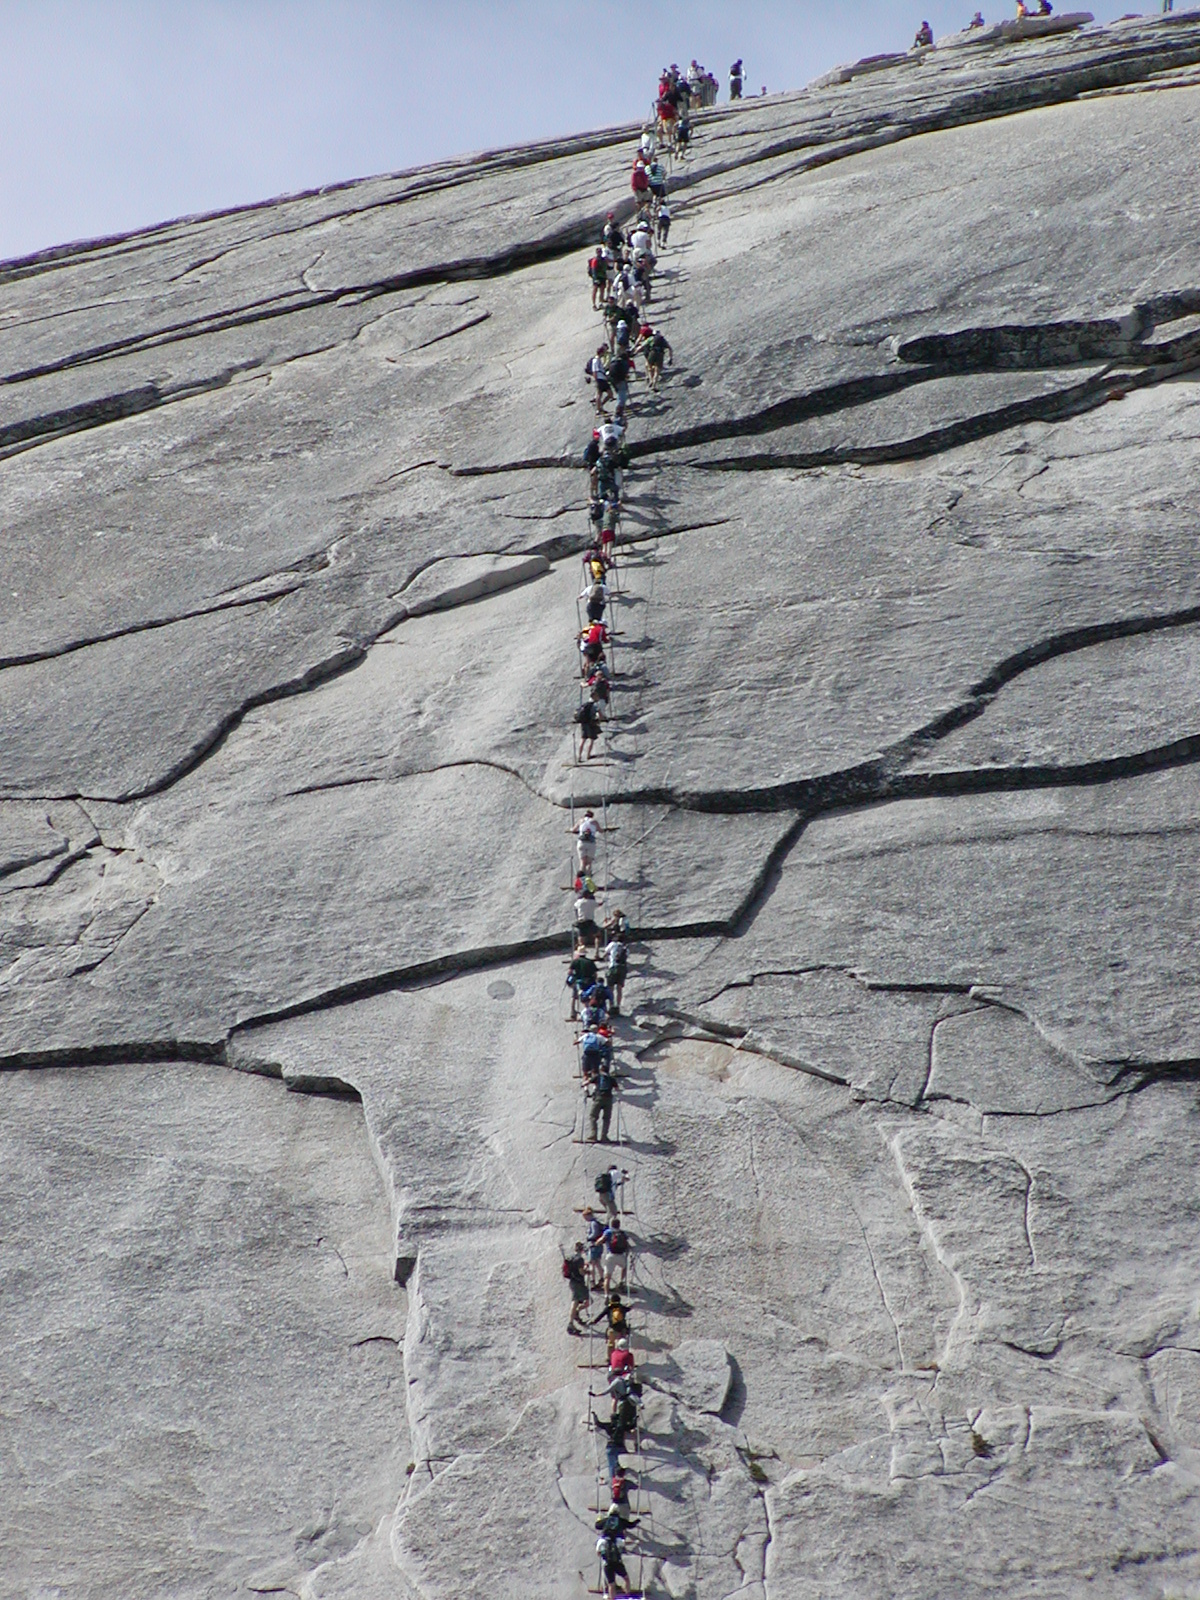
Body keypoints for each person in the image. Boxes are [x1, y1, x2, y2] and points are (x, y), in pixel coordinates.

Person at [563, 1242, 589, 1334]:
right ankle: (572, 1320)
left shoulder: (571, 1258)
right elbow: (581, 1272)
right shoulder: (580, 1259)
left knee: (576, 1301)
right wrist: (587, 1270)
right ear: (582, 1250)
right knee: (585, 1302)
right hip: (579, 1283)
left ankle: (574, 1317)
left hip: (573, 1282)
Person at [567, 945, 598, 1019]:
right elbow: (595, 974)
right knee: (589, 997)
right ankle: (590, 1013)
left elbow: (569, 972)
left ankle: (573, 1013)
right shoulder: (590, 962)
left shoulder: (575, 962)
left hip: (579, 981)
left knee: (574, 997)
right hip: (589, 981)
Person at [639, 327, 672, 392]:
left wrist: (634, 352)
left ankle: (650, 379)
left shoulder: (651, 338)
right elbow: (670, 348)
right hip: (660, 355)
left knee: (649, 367)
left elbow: (641, 346)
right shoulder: (663, 340)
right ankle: (654, 385)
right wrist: (670, 358)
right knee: (657, 371)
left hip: (652, 353)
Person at [588, 1065, 615, 1143]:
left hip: (599, 1098)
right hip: (608, 1099)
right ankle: (604, 1136)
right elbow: (617, 1088)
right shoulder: (611, 1078)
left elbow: (588, 1082)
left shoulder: (598, 1077)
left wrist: (583, 1085)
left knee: (593, 1116)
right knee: (606, 1118)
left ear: (601, 1070)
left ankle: (594, 1135)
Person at [602, 1218, 630, 1292]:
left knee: (607, 1277)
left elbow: (601, 1240)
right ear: (619, 1225)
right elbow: (627, 1242)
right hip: (620, 1255)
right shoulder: (622, 1233)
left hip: (611, 1255)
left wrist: (595, 1243)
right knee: (624, 1267)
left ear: (611, 1224)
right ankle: (622, 1282)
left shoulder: (608, 1232)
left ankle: (606, 1295)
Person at [583, 1206, 606, 1289]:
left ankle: (593, 1281)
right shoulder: (597, 1222)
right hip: (599, 1245)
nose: (585, 1219)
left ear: (588, 1215)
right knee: (598, 1263)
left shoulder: (593, 1223)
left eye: (585, 1217)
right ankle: (602, 1279)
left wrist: (588, 1237)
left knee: (592, 1264)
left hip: (593, 1245)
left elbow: (594, 1234)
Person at [604, 934, 628, 1014]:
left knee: (611, 988)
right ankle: (618, 1006)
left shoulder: (612, 944)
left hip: (613, 967)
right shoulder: (625, 948)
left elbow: (605, 953)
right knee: (619, 989)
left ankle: (611, 1005)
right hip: (622, 969)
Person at [575, 698, 603, 762]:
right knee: (591, 740)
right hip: (591, 724)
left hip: (583, 724)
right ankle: (588, 755)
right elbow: (600, 715)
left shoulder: (584, 705)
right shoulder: (595, 705)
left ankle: (579, 757)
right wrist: (600, 720)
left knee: (583, 740)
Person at [586, 347, 612, 415]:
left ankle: (599, 407)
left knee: (600, 394)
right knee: (607, 394)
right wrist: (596, 380)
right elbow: (595, 371)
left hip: (602, 378)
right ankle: (599, 408)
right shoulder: (596, 360)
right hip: (600, 379)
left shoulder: (598, 360)